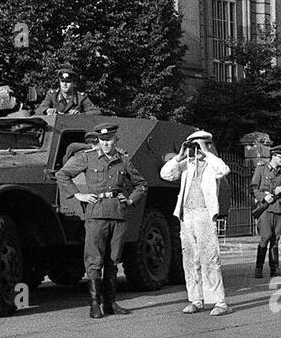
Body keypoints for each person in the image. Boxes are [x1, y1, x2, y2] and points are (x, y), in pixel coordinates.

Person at [55, 122, 146, 318]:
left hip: (118, 214)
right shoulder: (87, 158)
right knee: (94, 261)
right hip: (95, 214)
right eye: (102, 140)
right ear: (98, 141)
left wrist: (130, 200)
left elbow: (141, 184)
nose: (106, 144)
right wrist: (78, 195)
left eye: (109, 140)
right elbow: (62, 174)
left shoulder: (123, 160)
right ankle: (95, 304)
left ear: (116, 140)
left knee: (113, 261)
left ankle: (111, 303)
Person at [161, 131, 229, 316]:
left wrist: (207, 152)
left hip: (204, 215)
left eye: (198, 145)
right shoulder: (187, 165)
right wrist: (180, 156)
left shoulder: (212, 164)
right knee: (190, 259)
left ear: (207, 145)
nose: (196, 150)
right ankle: (196, 299)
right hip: (187, 216)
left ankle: (219, 302)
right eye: (194, 145)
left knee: (210, 258)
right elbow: (165, 174)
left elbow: (224, 170)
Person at [251, 145, 281, 278]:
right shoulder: (261, 169)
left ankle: (275, 269)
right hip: (266, 209)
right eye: (280, 157)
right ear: (273, 156)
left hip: (279, 210)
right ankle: (258, 268)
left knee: (275, 239)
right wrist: (263, 197)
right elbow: (253, 188)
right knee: (266, 237)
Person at [35, 69, 101, 115]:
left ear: (74, 83)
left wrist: (80, 114)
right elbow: (39, 110)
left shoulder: (81, 97)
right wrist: (47, 111)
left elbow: (96, 112)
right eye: (62, 81)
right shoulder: (52, 95)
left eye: (68, 82)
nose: (65, 84)